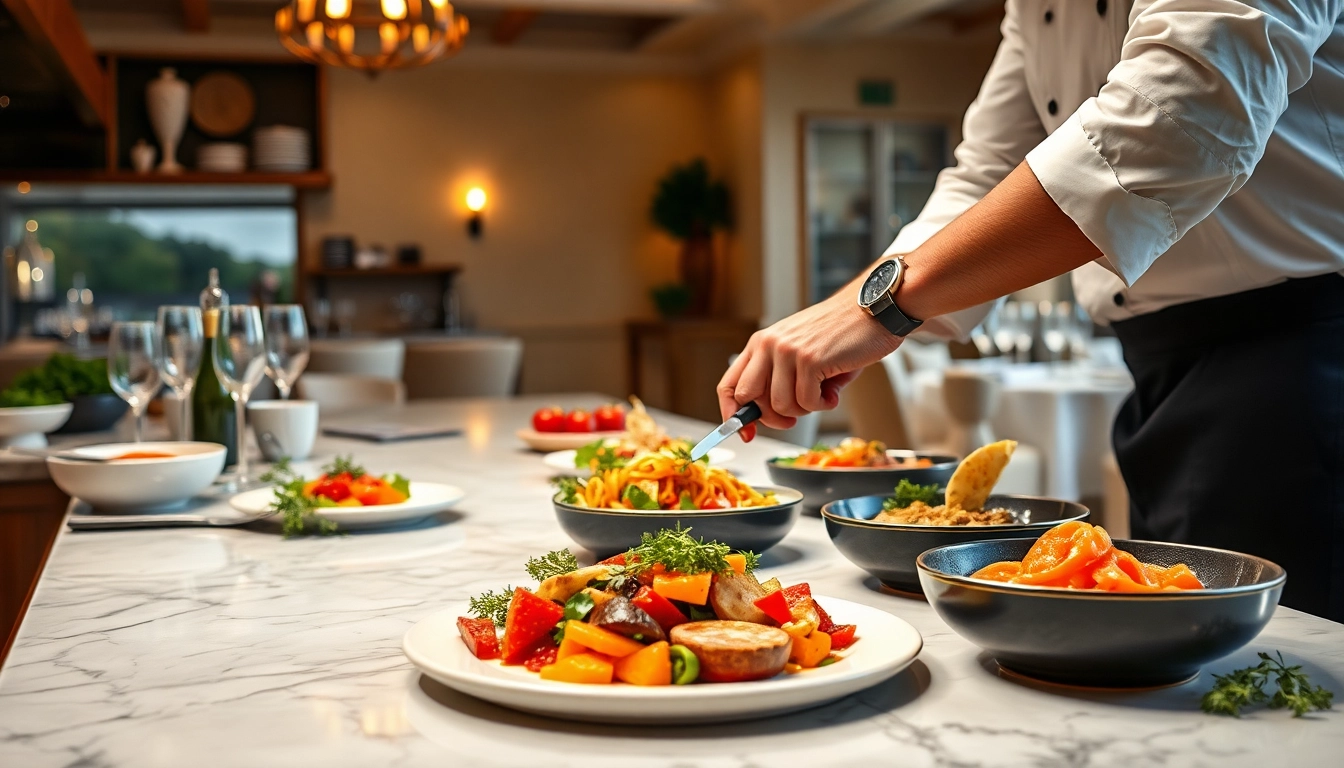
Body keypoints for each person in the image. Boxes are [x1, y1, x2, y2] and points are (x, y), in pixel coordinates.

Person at [718, 0, 1344, 621]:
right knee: (1185, 658)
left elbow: (1177, 117)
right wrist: (850, 311)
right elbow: (981, 177)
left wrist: (881, 309)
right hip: (1158, 368)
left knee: (1291, 673)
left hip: (1307, 351)